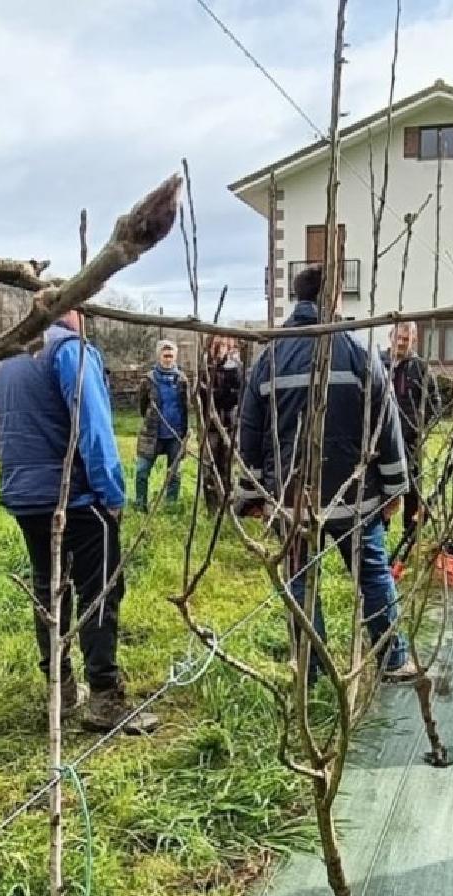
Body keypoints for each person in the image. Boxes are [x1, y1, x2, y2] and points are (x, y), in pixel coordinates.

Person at [236, 264, 417, 682]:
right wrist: (395, 488)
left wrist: (254, 494)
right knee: (373, 577)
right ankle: (393, 660)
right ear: (333, 299)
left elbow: (250, 431)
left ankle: (311, 670)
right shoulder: (357, 352)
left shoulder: (270, 358)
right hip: (355, 500)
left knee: (301, 583)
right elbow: (385, 427)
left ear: (297, 300)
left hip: (292, 501)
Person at [0, 308, 157, 735]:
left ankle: (59, 687)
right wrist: (112, 493)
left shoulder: (9, 357)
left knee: (51, 590)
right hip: (76, 496)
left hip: (26, 495)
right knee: (100, 588)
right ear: (73, 311)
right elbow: (94, 427)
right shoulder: (70, 351)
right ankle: (105, 698)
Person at [385, 321, 437, 543]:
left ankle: (409, 540)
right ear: (390, 336)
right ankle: (379, 536)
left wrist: (418, 426)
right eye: (398, 337)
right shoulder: (378, 363)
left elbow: (435, 403)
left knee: (412, 492)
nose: (401, 342)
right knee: (382, 491)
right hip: (382, 443)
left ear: (414, 340)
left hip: (411, 443)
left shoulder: (421, 367)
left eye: (406, 339)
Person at [133, 340, 188, 512]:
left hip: (175, 434)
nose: (168, 359)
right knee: (142, 471)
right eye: (165, 355)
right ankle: (140, 505)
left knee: (174, 474)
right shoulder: (148, 380)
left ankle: (171, 506)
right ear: (159, 356)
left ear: (175, 357)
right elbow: (143, 406)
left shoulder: (182, 380)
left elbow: (186, 407)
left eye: (171, 355)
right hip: (152, 434)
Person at [198, 336, 243, 507]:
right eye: (216, 345)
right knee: (210, 465)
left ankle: (227, 502)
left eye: (223, 345)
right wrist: (220, 394)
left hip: (228, 424)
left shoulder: (234, 368)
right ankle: (212, 505)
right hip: (209, 426)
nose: (220, 349)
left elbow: (236, 396)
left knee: (227, 465)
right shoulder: (204, 370)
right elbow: (205, 397)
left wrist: (222, 394)